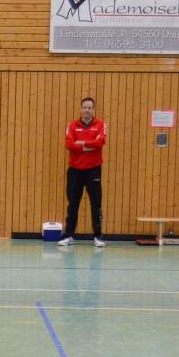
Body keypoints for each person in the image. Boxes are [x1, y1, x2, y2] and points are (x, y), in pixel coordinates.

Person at [57, 97, 107, 248]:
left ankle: (98, 236)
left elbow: (100, 142)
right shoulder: (72, 125)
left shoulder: (101, 125)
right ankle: (69, 235)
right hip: (75, 171)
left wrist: (82, 143)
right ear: (80, 109)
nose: (87, 110)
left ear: (93, 110)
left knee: (96, 204)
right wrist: (89, 147)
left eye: (89, 108)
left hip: (93, 170)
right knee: (73, 204)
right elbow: (69, 144)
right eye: (84, 107)